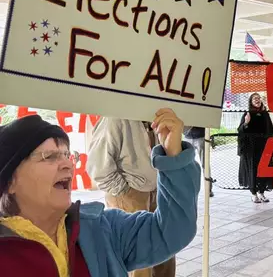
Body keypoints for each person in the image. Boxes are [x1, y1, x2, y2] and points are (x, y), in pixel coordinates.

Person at [0, 109, 199, 276]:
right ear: (10, 181)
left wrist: (174, 158)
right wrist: (125, 192)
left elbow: (171, 232)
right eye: (49, 156)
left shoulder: (104, 229)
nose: (68, 165)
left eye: (68, 155)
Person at [87, 116, 179, 276]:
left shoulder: (155, 114)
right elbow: (98, 167)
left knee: (166, 249)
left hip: (157, 188)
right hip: (130, 192)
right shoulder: (115, 118)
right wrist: (124, 191)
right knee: (140, 257)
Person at [238, 93, 273, 203]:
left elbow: (270, 130)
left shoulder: (265, 114)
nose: (257, 100)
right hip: (251, 148)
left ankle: (261, 192)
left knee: (264, 169)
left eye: (259, 98)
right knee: (253, 170)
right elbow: (240, 130)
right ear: (251, 101)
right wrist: (246, 123)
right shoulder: (247, 113)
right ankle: (254, 193)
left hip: (264, 147)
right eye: (255, 98)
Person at [184, 126, 214, 198]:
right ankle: (188, 189)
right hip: (188, 137)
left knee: (205, 164)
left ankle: (208, 189)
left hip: (201, 137)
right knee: (187, 164)